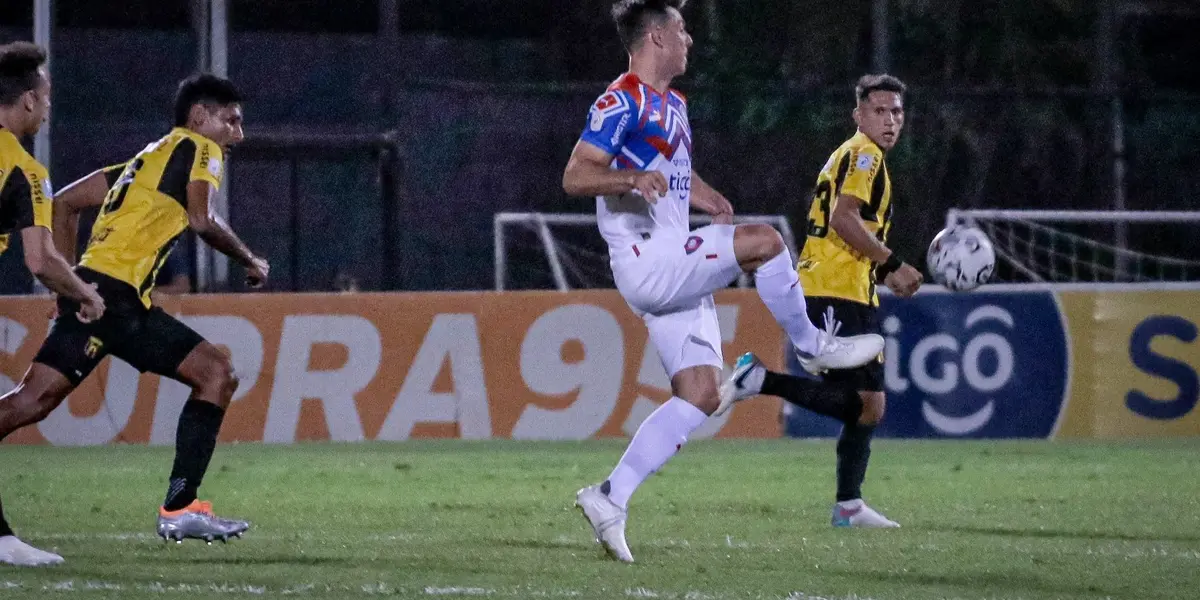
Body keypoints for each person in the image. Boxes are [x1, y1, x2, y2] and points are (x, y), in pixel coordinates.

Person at [561, 0, 886, 563]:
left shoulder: (674, 104)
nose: (690, 40)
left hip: (668, 267)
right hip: (649, 261)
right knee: (766, 242)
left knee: (702, 394)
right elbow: (575, 174)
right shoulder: (622, 100)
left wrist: (704, 194)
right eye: (683, 30)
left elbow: (674, 172)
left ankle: (611, 497)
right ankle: (811, 346)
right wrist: (631, 176)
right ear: (658, 38)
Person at [0, 72, 270, 552]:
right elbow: (201, 220)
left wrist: (73, 288)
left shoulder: (143, 161)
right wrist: (249, 259)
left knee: (213, 372)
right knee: (33, 401)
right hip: (115, 299)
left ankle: (181, 506)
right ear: (199, 117)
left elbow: (65, 205)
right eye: (231, 122)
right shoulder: (199, 150)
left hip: (110, 297)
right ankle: (180, 507)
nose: (237, 136)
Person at [719, 74, 923, 528]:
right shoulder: (865, 155)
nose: (889, 120)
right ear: (858, 115)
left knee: (866, 404)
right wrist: (891, 264)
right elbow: (843, 218)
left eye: (896, 112)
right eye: (879, 111)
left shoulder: (848, 154)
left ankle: (848, 505)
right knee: (866, 402)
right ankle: (759, 381)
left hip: (839, 287)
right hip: (837, 288)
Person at [0, 40, 108, 568]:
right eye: (45, 98)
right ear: (26, 102)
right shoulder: (25, 171)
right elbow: (41, 260)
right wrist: (85, 292)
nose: (47, 108)